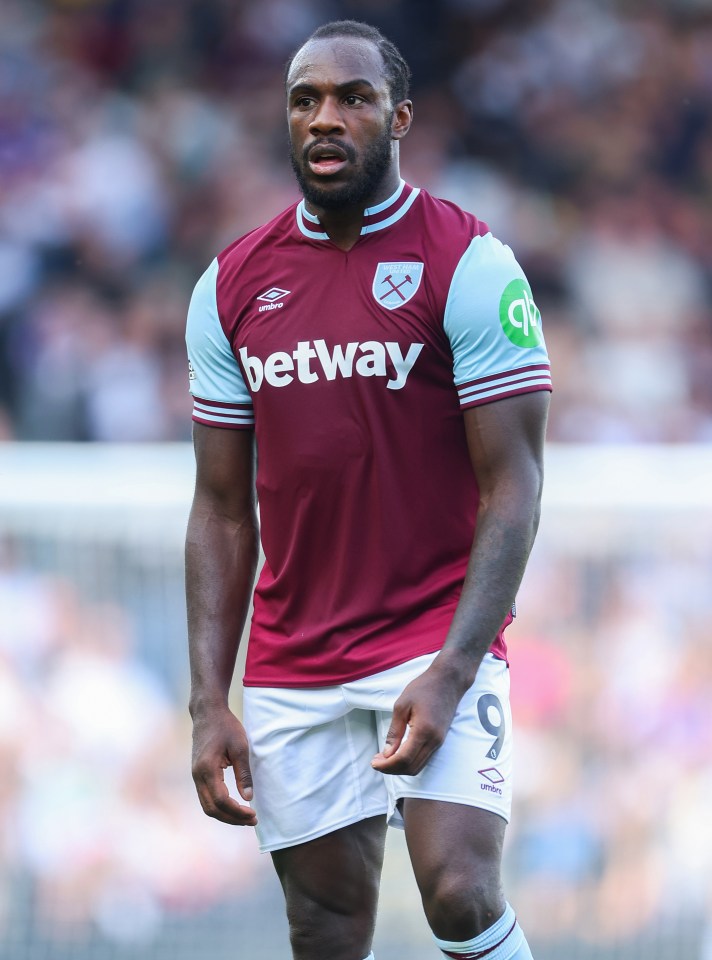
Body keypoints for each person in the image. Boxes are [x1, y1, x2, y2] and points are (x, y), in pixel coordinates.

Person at [185, 19, 551, 960]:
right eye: (305, 100)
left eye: (353, 98)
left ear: (402, 118)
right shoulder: (230, 286)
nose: (326, 118)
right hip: (293, 659)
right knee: (326, 925)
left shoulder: (470, 264)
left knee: (460, 893)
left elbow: (514, 485)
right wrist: (206, 700)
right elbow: (222, 508)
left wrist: (456, 666)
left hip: (435, 636)